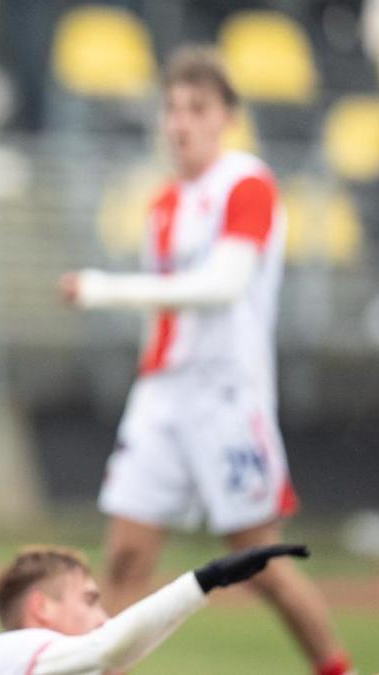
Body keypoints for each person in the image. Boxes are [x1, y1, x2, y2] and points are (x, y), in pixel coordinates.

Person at [60, 46, 353, 675]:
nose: (181, 122)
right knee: (124, 560)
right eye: (172, 108)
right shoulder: (164, 203)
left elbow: (222, 285)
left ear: (227, 116)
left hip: (226, 396)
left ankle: (336, 667)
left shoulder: (246, 182)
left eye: (197, 108)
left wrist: (106, 288)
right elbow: (168, 314)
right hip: (163, 396)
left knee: (259, 563)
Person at [0, 543, 310, 674]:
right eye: (89, 601)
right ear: (41, 606)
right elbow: (109, 648)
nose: (104, 618)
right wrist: (207, 580)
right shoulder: (5, 654)